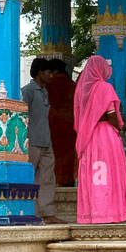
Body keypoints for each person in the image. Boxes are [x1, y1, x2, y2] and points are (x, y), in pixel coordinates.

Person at [74, 54, 126, 223]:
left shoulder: (82, 91)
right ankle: (109, 212)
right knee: (108, 172)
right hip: (105, 136)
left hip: (89, 137)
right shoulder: (105, 88)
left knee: (94, 174)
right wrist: (118, 127)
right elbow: (111, 114)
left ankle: (93, 213)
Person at [22, 57, 65, 223]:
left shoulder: (45, 91)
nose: (51, 76)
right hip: (31, 141)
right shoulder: (28, 91)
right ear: (40, 73)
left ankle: (47, 214)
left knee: (47, 179)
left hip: (46, 141)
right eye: (48, 72)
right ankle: (30, 212)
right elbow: (23, 116)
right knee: (30, 177)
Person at [46, 58, 77, 186]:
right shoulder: (73, 85)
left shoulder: (48, 84)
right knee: (68, 154)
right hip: (71, 125)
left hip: (52, 124)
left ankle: (55, 180)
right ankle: (68, 180)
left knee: (54, 153)